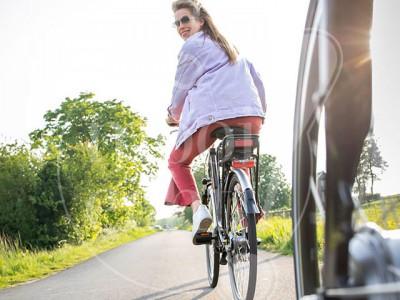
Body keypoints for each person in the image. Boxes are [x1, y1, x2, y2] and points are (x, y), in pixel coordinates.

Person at [165, 0, 267, 245]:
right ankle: (247, 216)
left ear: (201, 20)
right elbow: (259, 84)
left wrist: (172, 115)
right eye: (176, 22)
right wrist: (259, 114)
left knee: (177, 161)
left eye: (185, 20)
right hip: (250, 116)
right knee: (240, 160)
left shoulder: (192, 47)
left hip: (212, 119)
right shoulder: (232, 47)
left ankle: (199, 209)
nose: (181, 26)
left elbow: (180, 91)